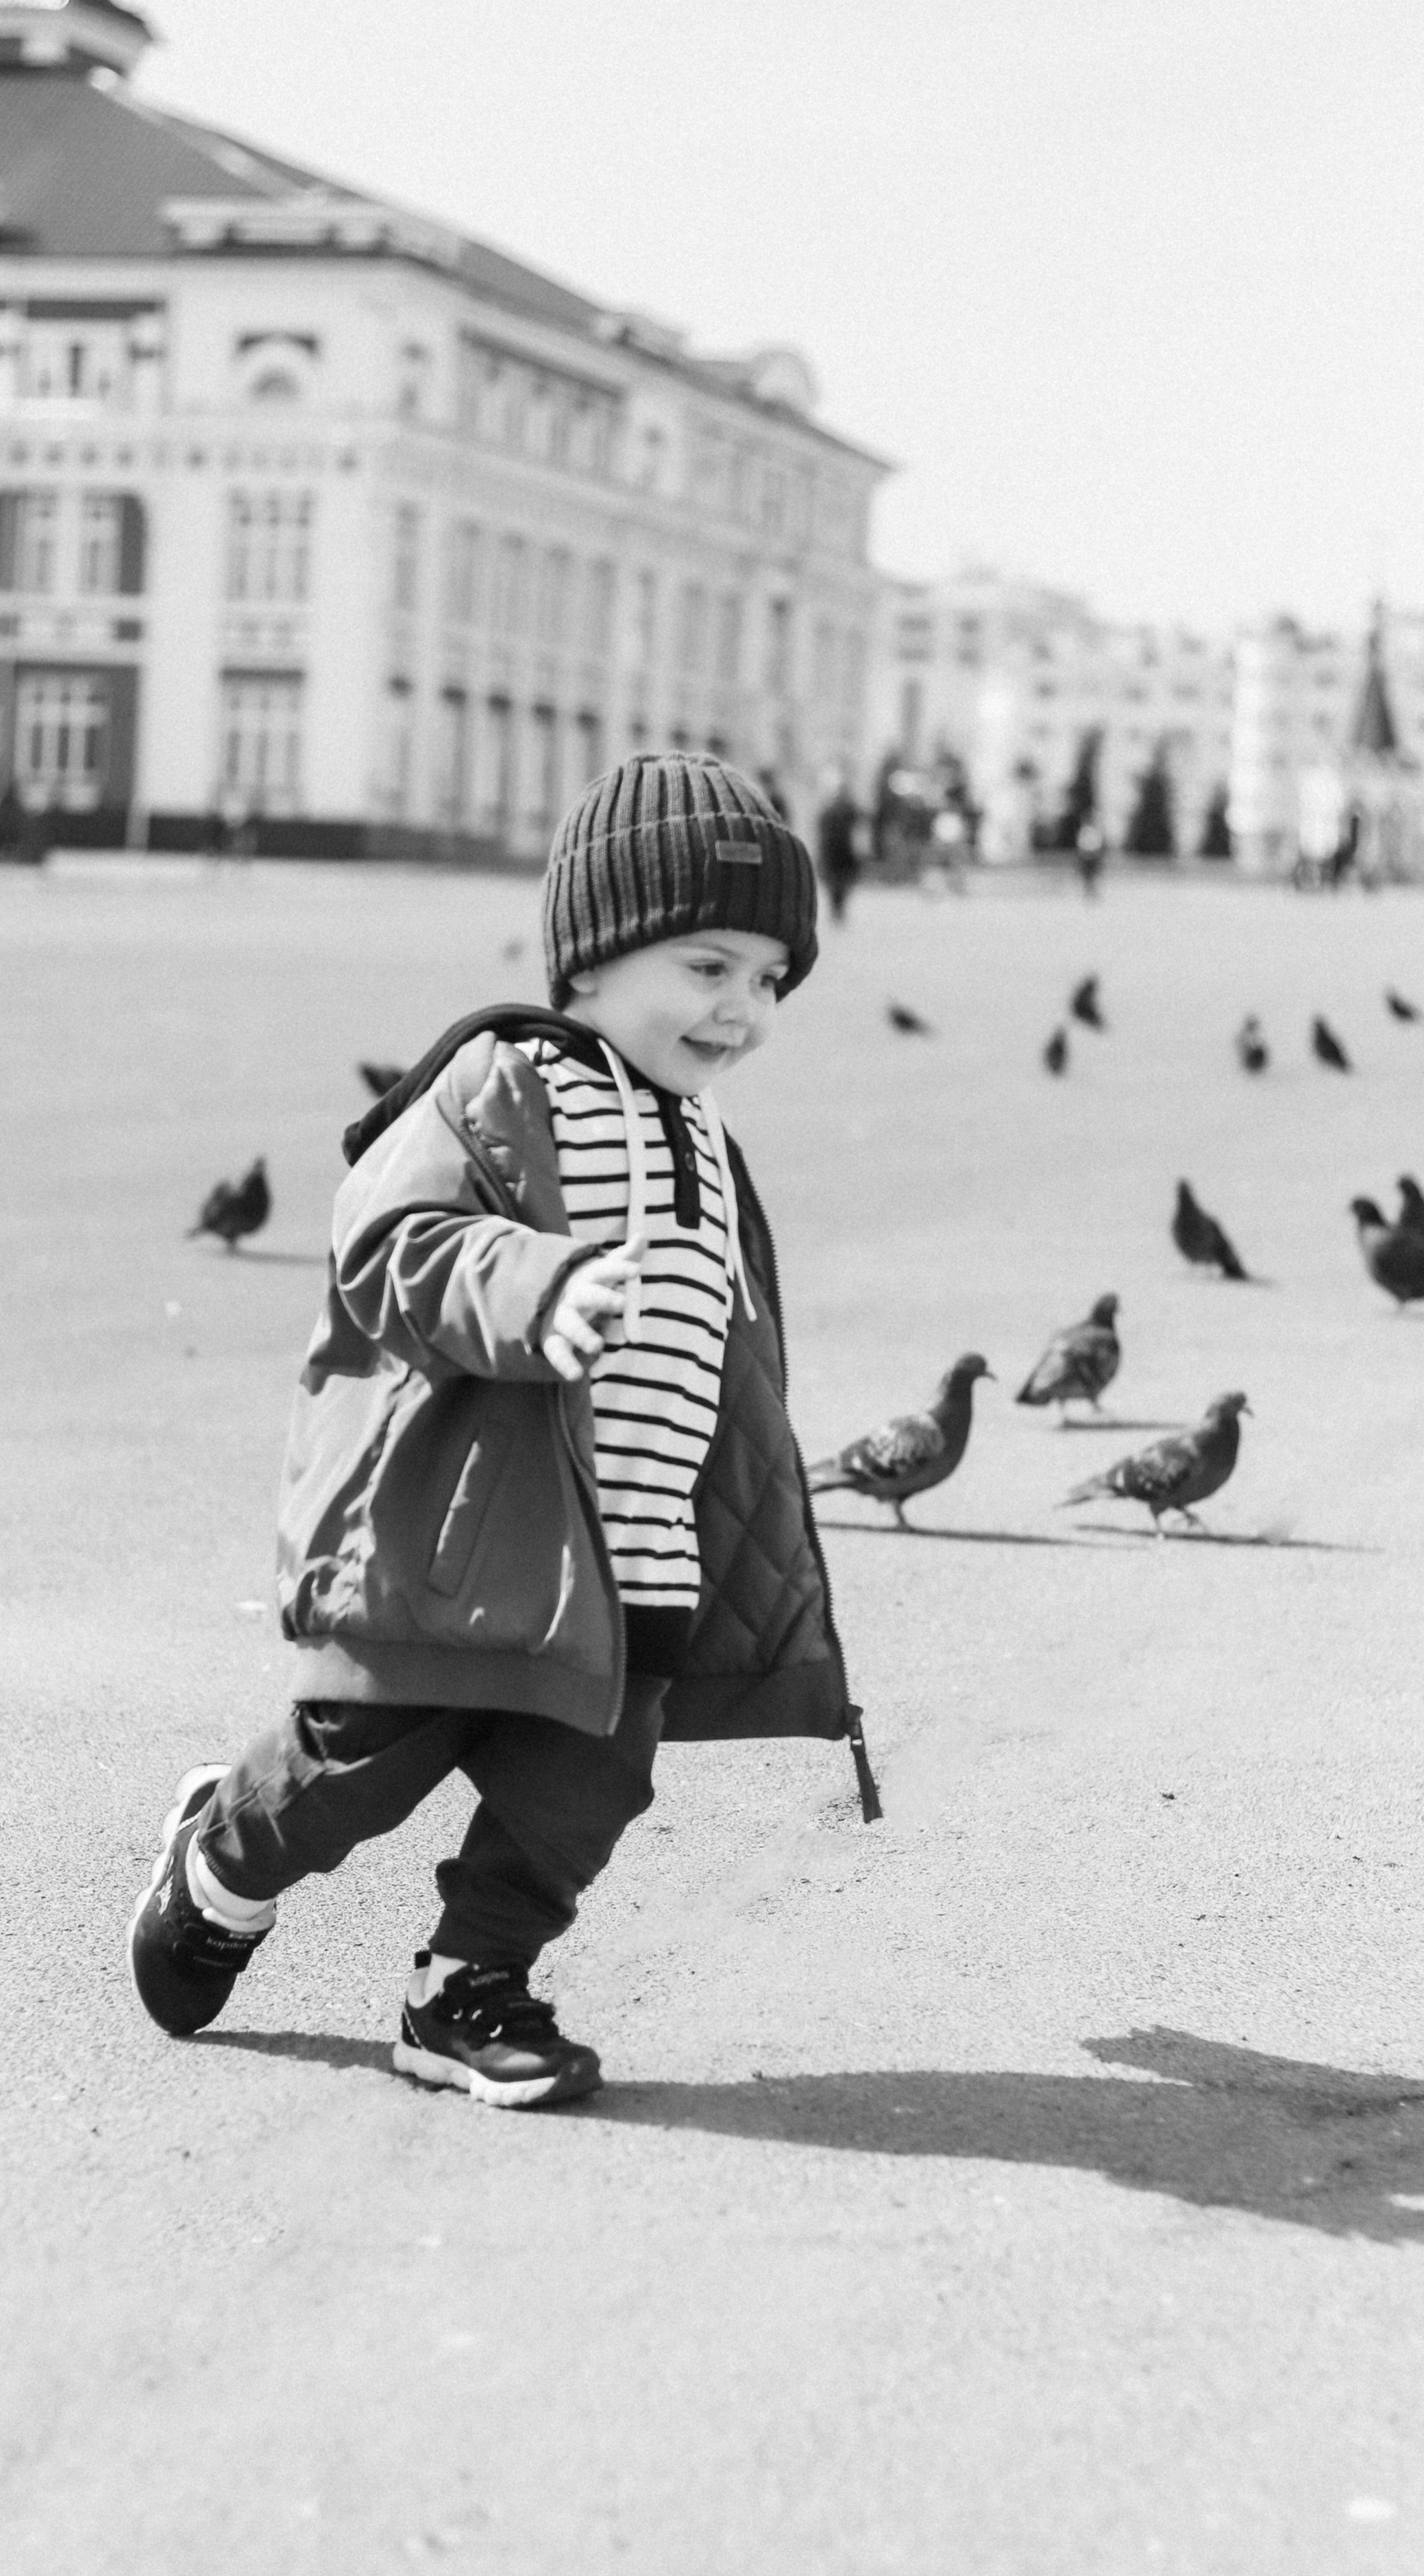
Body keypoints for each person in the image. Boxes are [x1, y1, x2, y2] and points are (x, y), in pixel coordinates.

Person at [128, 752, 870, 2105]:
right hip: (468, 1544)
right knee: (346, 1773)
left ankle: (465, 1990)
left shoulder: (706, 1143)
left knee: (578, 1799)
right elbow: (391, 1243)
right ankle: (223, 1856)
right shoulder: (497, 1084)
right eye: (706, 966)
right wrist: (533, 1286)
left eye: (769, 978)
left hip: (638, 1563)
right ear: (593, 958)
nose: (741, 1008)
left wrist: (747, 1554)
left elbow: (722, 1363)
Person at [816, 775, 860, 922]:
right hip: (838, 849)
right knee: (838, 881)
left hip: (840, 849)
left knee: (839, 881)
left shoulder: (837, 809)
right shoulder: (840, 809)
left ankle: (838, 908)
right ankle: (838, 908)